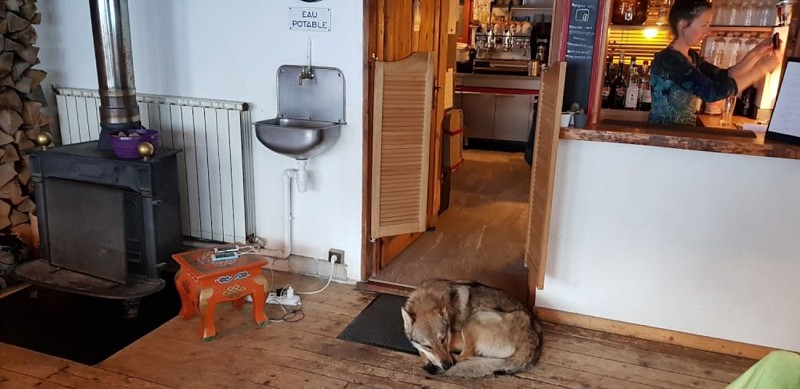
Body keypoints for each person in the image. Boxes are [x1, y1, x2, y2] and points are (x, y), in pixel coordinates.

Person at [648, 0, 781, 125]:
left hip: (681, 136)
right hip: (664, 138)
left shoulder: (691, 56)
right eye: (704, 25)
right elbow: (712, 93)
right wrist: (761, 69)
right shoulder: (669, 59)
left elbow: (725, 75)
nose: (708, 31)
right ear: (683, 26)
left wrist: (756, 53)